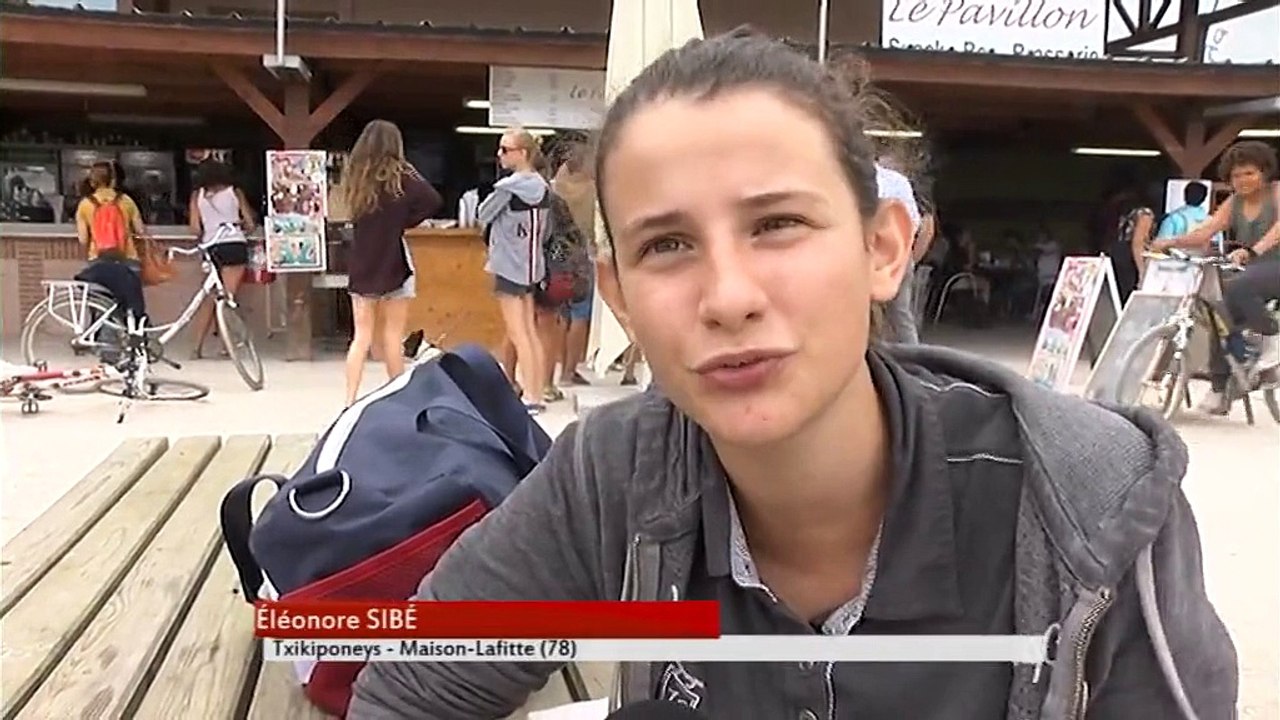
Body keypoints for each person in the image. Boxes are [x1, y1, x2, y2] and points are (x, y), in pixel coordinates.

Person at [348, 29, 1235, 719]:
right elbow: (410, 688)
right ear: (618, 295)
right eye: (667, 245)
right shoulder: (614, 472)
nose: (728, 296)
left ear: (883, 248)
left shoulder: (1095, 507)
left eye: (776, 225)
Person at [1153, 140, 1280, 414]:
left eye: (1250, 173)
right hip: (1254, 271)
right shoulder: (1233, 203)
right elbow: (1205, 231)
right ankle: (1220, 389)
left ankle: (1273, 339)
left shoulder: (1277, 193)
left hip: (1273, 265)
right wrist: (1168, 241)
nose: (1243, 180)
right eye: (1236, 175)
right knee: (1217, 315)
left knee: (1239, 285)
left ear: (1264, 172)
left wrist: (1251, 250)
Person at [337, 119, 443, 407]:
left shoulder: (355, 177)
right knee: (393, 336)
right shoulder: (402, 178)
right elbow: (432, 199)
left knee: (361, 337)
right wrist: (405, 220)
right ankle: (399, 398)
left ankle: (349, 400)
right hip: (395, 261)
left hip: (362, 262)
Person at [480, 128, 553, 413]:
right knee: (530, 332)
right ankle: (537, 392)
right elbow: (545, 231)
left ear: (522, 153)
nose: (499, 155)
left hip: (509, 264)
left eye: (505, 149)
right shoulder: (544, 187)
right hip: (533, 265)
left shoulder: (507, 189)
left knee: (518, 332)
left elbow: (483, 214)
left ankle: (531, 397)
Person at [187, 159, 258, 359]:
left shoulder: (197, 196)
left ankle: (196, 347)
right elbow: (251, 224)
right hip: (234, 246)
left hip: (211, 248)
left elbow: (195, 229)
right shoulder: (235, 192)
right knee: (228, 298)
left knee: (210, 298)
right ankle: (228, 346)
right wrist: (239, 225)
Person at [74, 162, 149, 325]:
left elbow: (83, 239)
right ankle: (133, 342)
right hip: (128, 259)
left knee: (101, 309)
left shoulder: (85, 205)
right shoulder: (126, 201)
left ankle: (104, 345)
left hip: (99, 260)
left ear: (92, 182)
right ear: (113, 180)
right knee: (132, 306)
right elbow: (140, 231)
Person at [551, 146, 597, 385]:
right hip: (583, 256)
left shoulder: (556, 187)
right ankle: (570, 370)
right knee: (581, 314)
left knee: (561, 315)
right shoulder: (591, 190)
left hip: (558, 257)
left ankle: (559, 366)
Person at [875, 161, 923, 343]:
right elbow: (914, 221)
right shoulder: (898, 181)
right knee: (901, 313)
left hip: (868, 251)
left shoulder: (855, 180)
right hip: (901, 250)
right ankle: (914, 356)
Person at [1109, 194, 1156, 304]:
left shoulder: (1128, 212)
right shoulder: (1145, 214)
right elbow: (1137, 242)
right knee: (1129, 294)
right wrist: (1141, 270)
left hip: (1118, 251)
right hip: (1129, 256)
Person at [1156, 181, 1221, 255]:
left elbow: (1159, 247)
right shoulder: (1213, 222)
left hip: (1175, 264)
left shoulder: (1172, 219)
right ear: (1204, 198)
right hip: (1204, 264)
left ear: (1185, 195)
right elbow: (1217, 249)